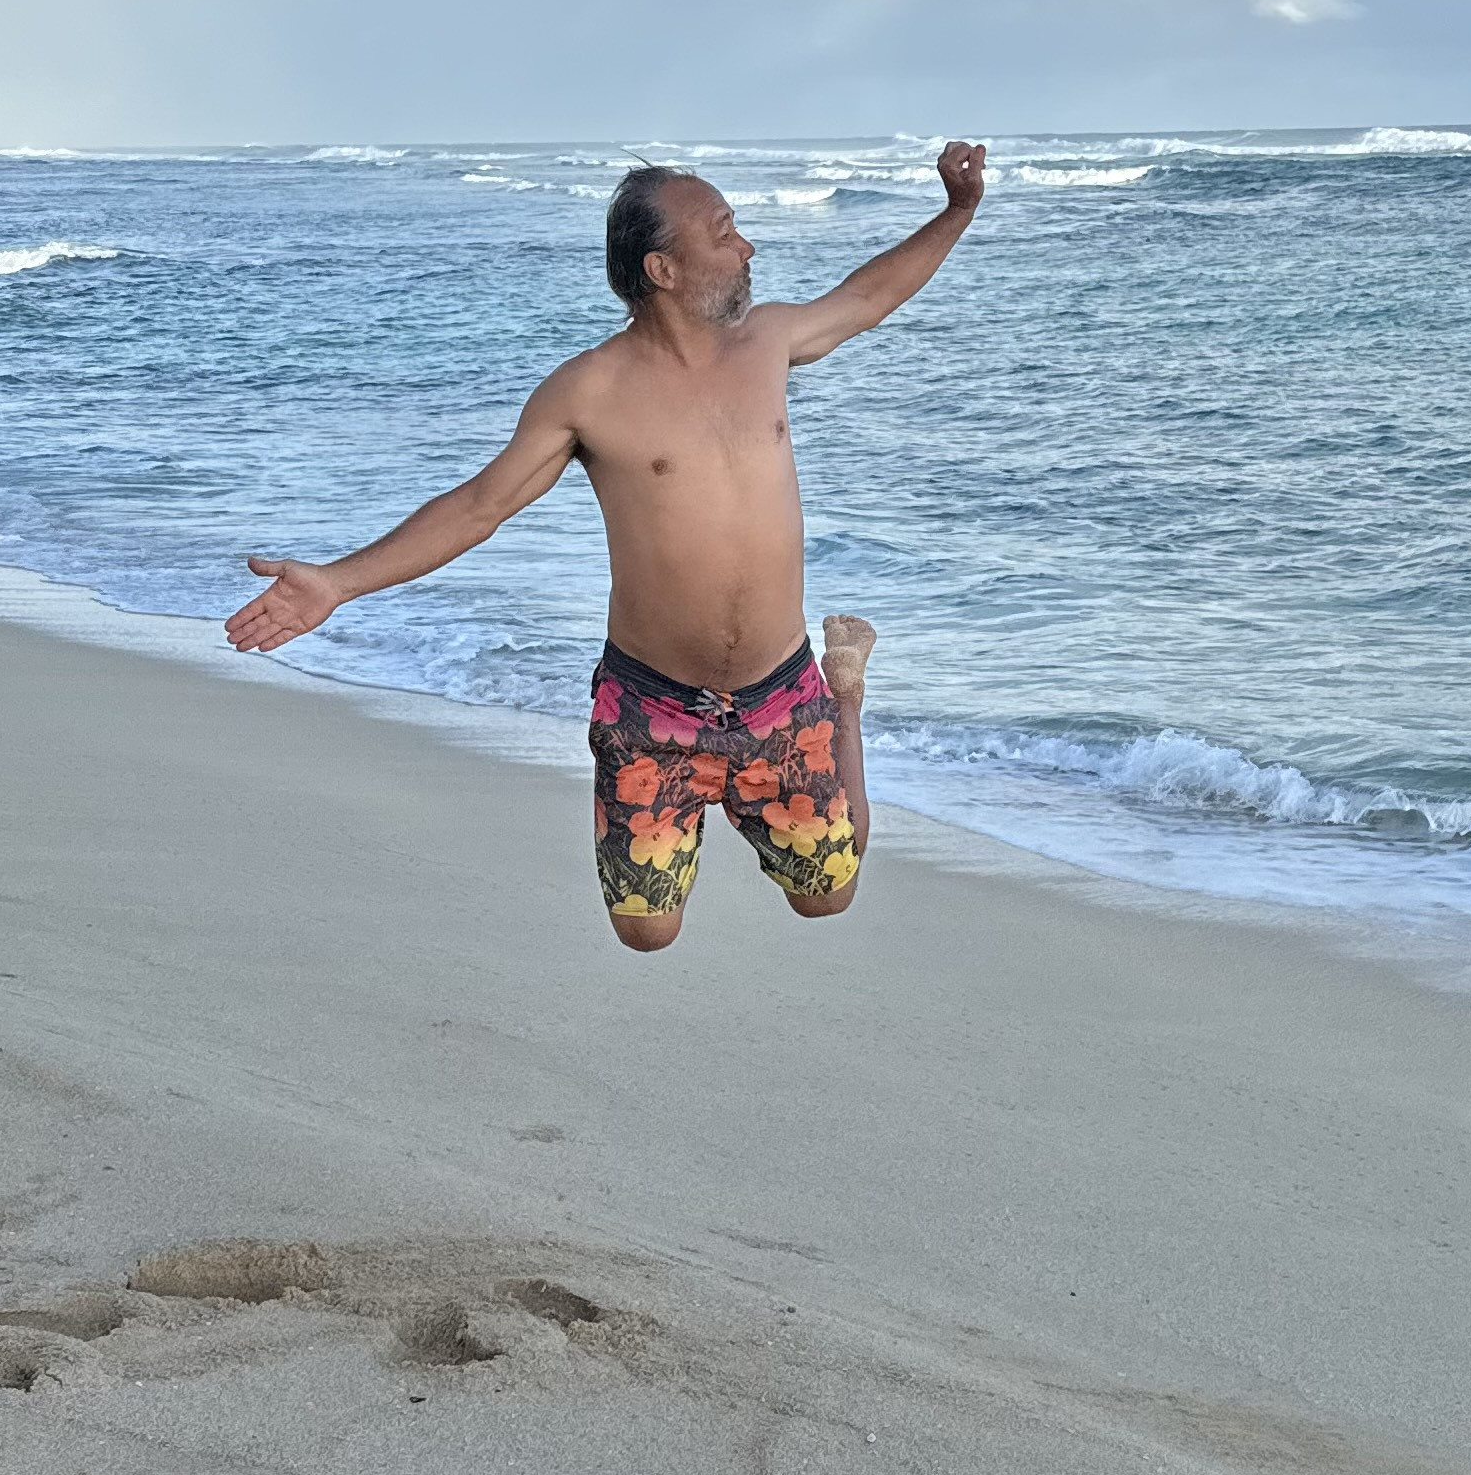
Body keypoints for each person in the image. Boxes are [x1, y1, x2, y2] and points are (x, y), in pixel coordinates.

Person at [225, 141, 988, 950]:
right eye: (723, 232)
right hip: (650, 709)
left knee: (826, 897)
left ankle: (845, 698)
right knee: (645, 932)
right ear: (663, 269)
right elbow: (480, 506)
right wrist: (337, 582)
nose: (746, 246)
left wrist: (957, 211)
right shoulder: (589, 390)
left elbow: (867, 296)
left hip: (782, 691)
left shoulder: (767, 340)